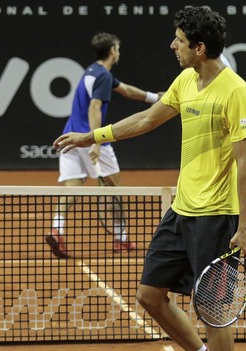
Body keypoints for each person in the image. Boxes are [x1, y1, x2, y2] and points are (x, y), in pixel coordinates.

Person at [53, 7, 246, 351]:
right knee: (149, 294)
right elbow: (146, 119)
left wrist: (244, 226)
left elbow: (245, 163)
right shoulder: (185, 81)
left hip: (217, 216)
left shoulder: (234, 91)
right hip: (182, 209)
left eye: (180, 40)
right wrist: (93, 136)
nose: (172, 45)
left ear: (199, 48)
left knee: (215, 312)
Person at [45, 32, 162, 259]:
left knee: (72, 187)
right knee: (116, 189)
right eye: (117, 48)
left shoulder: (92, 71)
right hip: (89, 138)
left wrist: (155, 98)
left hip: (70, 137)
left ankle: (56, 229)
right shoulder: (103, 77)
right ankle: (121, 238)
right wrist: (95, 140)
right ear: (112, 51)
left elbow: (127, 90)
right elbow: (94, 108)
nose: (119, 52)